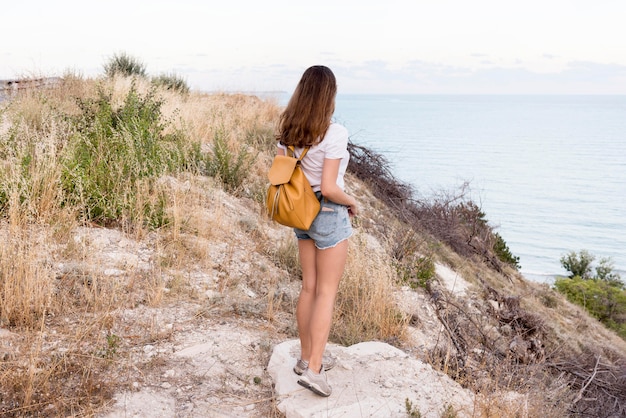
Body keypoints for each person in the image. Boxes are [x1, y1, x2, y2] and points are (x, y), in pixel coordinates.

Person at [275, 65, 358, 397]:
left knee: (308, 287)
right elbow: (329, 185)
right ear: (329, 96)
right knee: (326, 292)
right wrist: (354, 202)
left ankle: (305, 358)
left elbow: (282, 174)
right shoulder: (334, 132)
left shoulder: (288, 130)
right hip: (327, 211)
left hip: (299, 211)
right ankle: (314, 370)